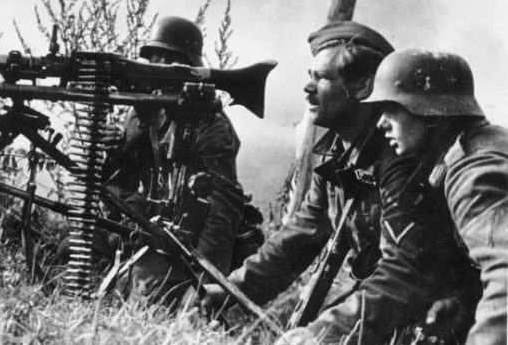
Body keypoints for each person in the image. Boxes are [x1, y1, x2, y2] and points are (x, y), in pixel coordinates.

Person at [203, 22, 476, 344]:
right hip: (385, 304)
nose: (307, 88)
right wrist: (231, 288)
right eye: (310, 76)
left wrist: (322, 334)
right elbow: (303, 233)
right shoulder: (339, 154)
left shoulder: (399, 160)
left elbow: (406, 273)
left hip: (439, 319)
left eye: (321, 78)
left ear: (362, 86)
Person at [360, 48, 507, 345]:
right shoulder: (486, 143)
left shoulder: (472, 171)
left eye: (391, 109)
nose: (381, 123)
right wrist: (464, 304)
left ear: (429, 113)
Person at [103, 15, 247, 308]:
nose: (157, 69)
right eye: (153, 60)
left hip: (187, 242)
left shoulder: (210, 123)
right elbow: (120, 184)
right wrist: (115, 155)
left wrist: (204, 283)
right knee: (72, 251)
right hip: (146, 226)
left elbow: (223, 209)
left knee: (145, 291)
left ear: (186, 68)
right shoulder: (144, 112)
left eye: (167, 61)